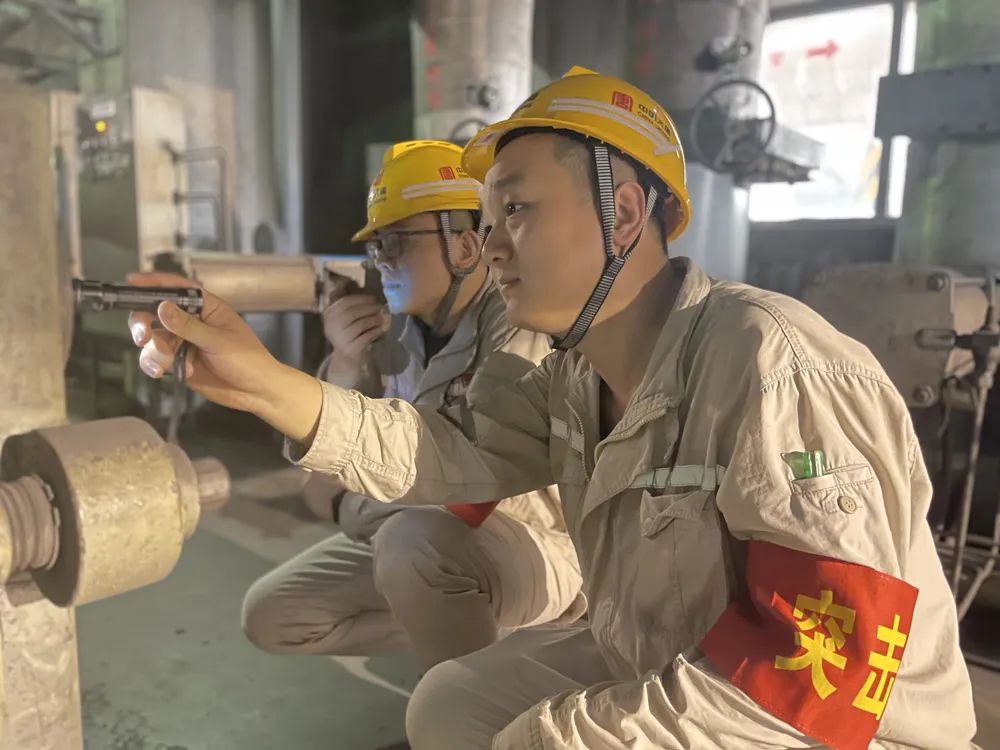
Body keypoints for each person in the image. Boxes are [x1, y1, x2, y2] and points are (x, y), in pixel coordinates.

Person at [128, 67, 976, 749]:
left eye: (516, 209)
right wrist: (259, 381)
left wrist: (554, 735)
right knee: (450, 704)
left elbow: (819, 680)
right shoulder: (574, 376)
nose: (491, 245)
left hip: (840, 727)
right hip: (659, 654)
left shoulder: (773, 367)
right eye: (487, 217)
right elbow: (437, 450)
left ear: (624, 212)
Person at [244, 140, 581, 670]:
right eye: (376, 247)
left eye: (396, 242)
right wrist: (345, 365)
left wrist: (353, 507)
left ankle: (480, 700)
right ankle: (462, 632)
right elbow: (316, 483)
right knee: (274, 615)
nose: (381, 262)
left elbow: (476, 495)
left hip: (536, 548)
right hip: (421, 541)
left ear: (465, 247)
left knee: (412, 544)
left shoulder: (517, 327)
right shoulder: (391, 337)